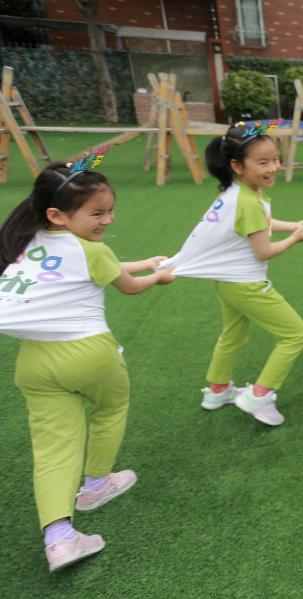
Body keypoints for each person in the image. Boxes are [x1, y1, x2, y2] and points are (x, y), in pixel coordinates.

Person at [0, 155, 175, 572]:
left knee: (53, 448)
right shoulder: (91, 250)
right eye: (97, 213)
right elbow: (128, 287)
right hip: (89, 353)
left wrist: (143, 261)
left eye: (110, 210)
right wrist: (157, 276)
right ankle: (96, 484)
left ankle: (59, 537)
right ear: (57, 215)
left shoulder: (25, 240)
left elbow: (95, 268)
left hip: (35, 363)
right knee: (111, 408)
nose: (108, 219)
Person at [164, 120, 303, 426]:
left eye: (276, 159)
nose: (274, 167)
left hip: (228, 283)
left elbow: (257, 223)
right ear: (237, 166)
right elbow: (263, 251)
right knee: (295, 335)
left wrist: (292, 225)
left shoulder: (237, 192)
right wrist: (295, 238)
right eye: (263, 162)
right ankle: (259, 396)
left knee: (233, 334)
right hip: (247, 285)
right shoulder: (249, 201)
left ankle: (217, 391)